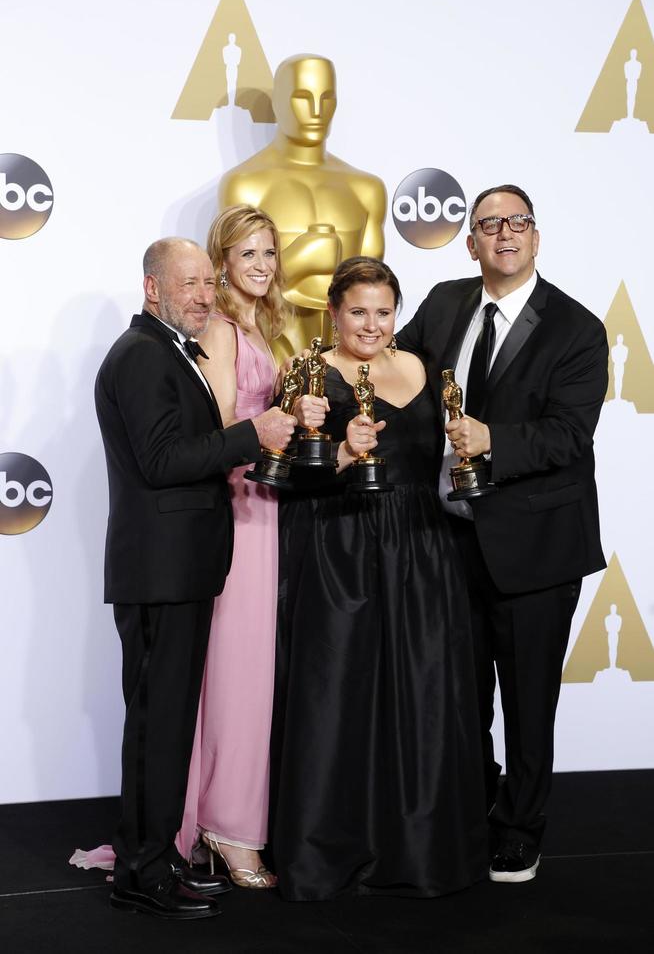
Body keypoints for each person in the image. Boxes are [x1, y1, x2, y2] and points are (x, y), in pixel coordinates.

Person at [397, 184, 608, 883]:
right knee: (458, 693)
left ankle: (521, 826)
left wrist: (492, 440)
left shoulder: (576, 329)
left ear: (537, 237)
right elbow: (397, 376)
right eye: (489, 224)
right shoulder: (443, 304)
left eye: (517, 222)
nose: (505, 234)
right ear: (471, 242)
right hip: (450, 541)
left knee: (526, 699)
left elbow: (568, 436)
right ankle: (474, 804)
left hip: (536, 548)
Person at [270, 256, 487, 901]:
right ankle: (328, 854)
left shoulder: (425, 369)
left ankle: (420, 850)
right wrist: (339, 450)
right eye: (357, 311)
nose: (371, 324)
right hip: (340, 544)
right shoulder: (309, 376)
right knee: (337, 693)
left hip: (423, 549)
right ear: (333, 312)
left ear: (399, 313)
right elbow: (285, 474)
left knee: (423, 694)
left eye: (383, 311)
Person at [94, 237, 295, 918]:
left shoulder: (169, 351)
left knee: (168, 723)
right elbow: (160, 460)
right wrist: (251, 434)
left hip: (176, 569)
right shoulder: (143, 357)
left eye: (210, 283)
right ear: (152, 288)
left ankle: (157, 858)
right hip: (160, 571)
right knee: (157, 725)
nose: (204, 296)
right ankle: (142, 871)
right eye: (189, 284)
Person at [177, 205, 287, 888]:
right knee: (238, 671)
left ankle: (226, 818)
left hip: (264, 508)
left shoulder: (259, 326)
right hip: (239, 510)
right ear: (221, 262)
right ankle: (226, 826)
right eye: (249, 254)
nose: (263, 266)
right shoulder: (219, 331)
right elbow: (219, 426)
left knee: (247, 669)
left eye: (270, 254)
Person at [219, 54, 386, 358]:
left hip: (348, 358)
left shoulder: (366, 189)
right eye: (302, 97)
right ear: (278, 103)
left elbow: (373, 290)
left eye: (326, 98)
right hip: (271, 350)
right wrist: (300, 259)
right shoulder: (246, 185)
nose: (316, 111)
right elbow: (230, 286)